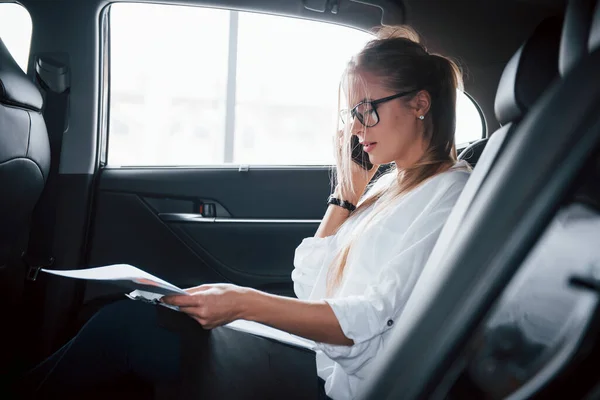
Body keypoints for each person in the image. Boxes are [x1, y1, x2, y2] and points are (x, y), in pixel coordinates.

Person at [16, 26, 470, 400]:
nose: (355, 127)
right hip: (318, 359)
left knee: (126, 327)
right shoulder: (390, 186)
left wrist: (243, 302)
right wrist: (346, 198)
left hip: (338, 383)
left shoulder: (447, 193)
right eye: (352, 113)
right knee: (126, 317)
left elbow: (369, 322)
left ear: (420, 103)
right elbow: (310, 287)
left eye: (366, 110)